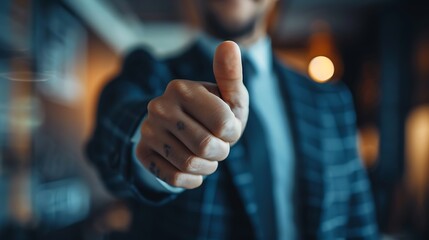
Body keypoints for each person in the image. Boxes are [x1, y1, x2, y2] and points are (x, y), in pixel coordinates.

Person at [86, 0, 378, 239]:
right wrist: (148, 140)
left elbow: (359, 223)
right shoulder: (149, 74)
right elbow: (112, 133)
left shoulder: (332, 101)